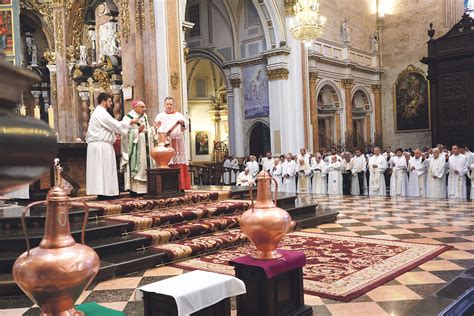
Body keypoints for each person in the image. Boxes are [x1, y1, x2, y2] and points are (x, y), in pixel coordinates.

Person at [86, 93, 137, 198]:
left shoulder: (98, 112)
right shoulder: (101, 113)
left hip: (98, 145)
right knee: (105, 169)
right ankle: (107, 193)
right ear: (103, 101)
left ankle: (103, 192)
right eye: (109, 101)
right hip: (102, 146)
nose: (111, 103)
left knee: (100, 171)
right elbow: (115, 125)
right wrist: (129, 122)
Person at [154, 97, 191, 190]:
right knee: (167, 161)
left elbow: (185, 126)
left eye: (171, 104)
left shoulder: (179, 115)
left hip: (178, 141)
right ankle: (169, 186)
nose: (169, 106)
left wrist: (182, 123)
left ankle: (181, 185)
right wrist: (158, 128)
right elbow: (157, 128)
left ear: (173, 105)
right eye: (167, 104)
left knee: (178, 161)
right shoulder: (160, 116)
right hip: (166, 141)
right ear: (164, 105)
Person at [120, 100, 154, 195]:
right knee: (138, 166)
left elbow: (147, 130)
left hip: (145, 147)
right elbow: (124, 134)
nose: (145, 109)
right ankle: (135, 190)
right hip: (136, 148)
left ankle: (146, 189)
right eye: (142, 107)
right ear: (135, 107)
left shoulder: (144, 117)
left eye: (144, 107)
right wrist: (137, 132)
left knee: (145, 165)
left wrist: (153, 129)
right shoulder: (128, 118)